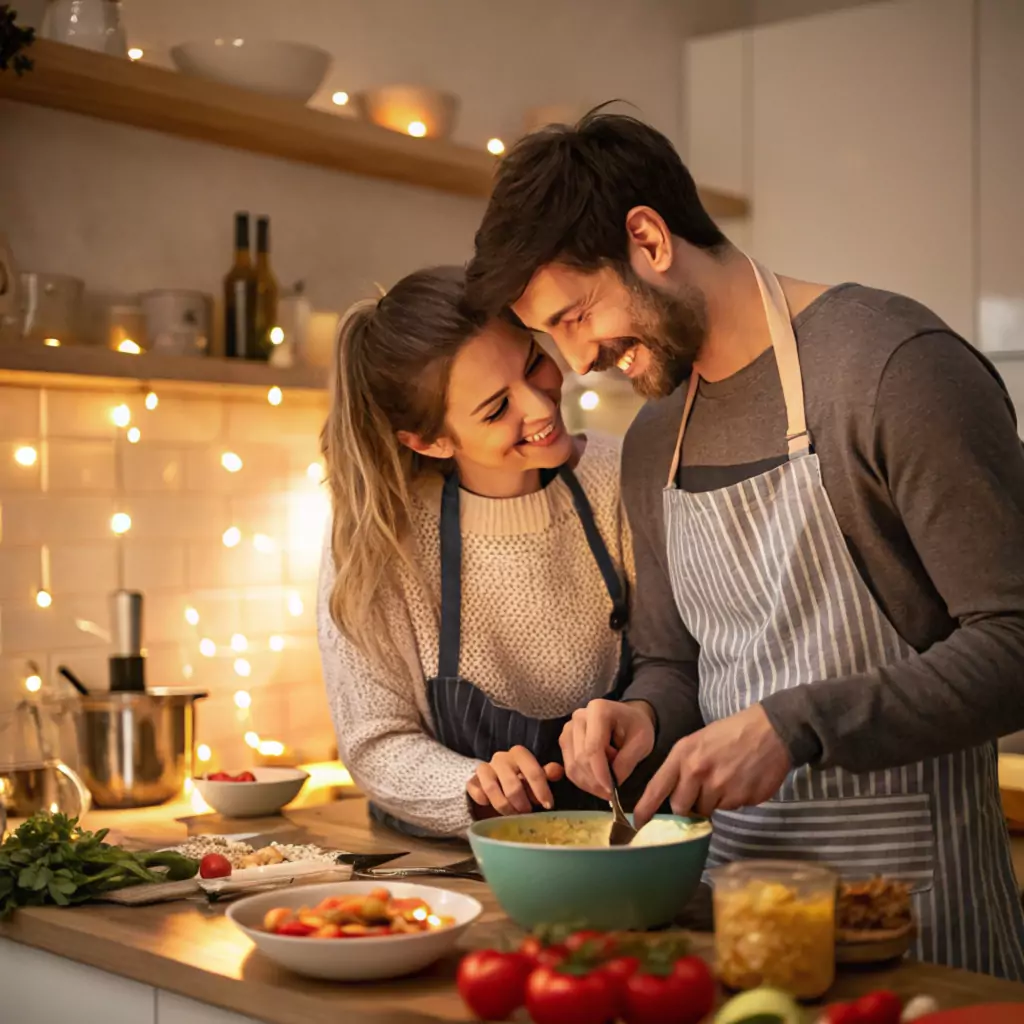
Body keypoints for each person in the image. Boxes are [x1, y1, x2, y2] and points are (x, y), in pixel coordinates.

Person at [464, 110, 1024, 978]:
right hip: (731, 924)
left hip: (916, 923)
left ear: (648, 238)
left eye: (577, 316)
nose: (577, 365)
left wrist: (794, 727)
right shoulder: (656, 440)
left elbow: (1016, 643)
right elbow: (674, 663)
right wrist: (641, 716)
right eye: (555, 337)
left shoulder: (891, 369)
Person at [316, 266, 635, 838]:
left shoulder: (621, 479)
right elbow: (375, 742)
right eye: (495, 409)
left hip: (617, 840)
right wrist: (472, 787)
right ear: (430, 440)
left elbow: (680, 669)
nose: (538, 407)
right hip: (445, 865)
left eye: (534, 363)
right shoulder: (381, 535)